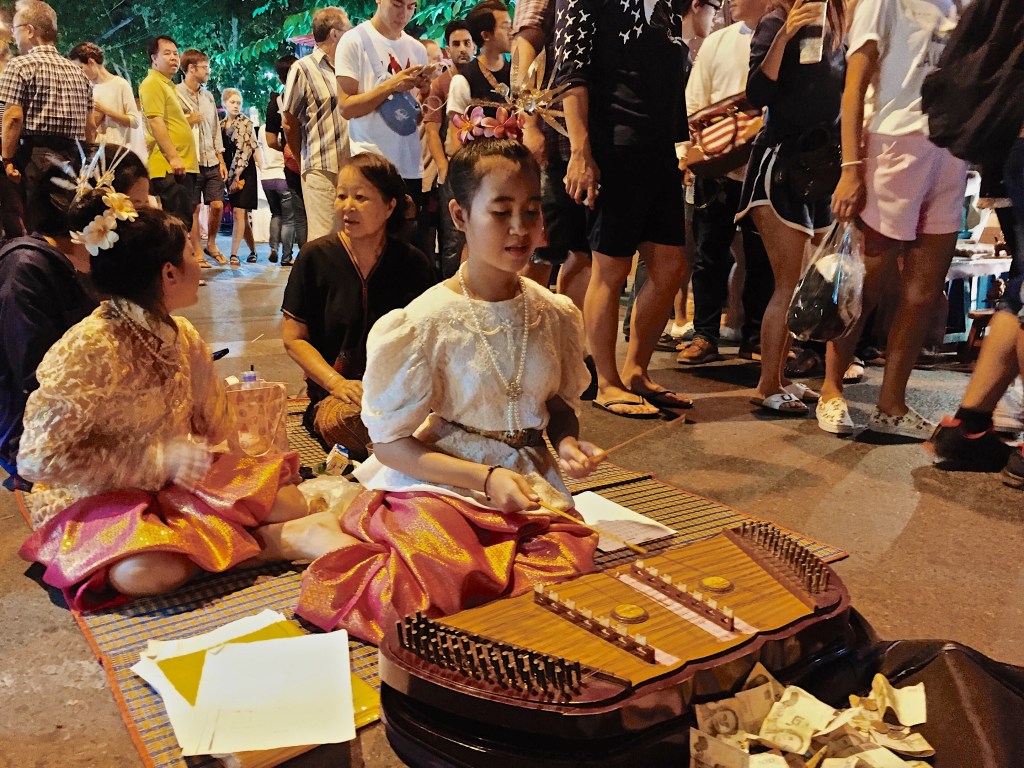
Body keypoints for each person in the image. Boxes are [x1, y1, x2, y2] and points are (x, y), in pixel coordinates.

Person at [295, 139, 604, 644]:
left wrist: (567, 442)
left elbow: (556, 403)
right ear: (460, 215)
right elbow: (390, 445)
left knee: (562, 572)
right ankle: (328, 535)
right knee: (441, 583)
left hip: (527, 482)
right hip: (445, 479)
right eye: (501, 212)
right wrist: (485, 478)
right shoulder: (424, 322)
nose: (520, 228)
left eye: (531, 211)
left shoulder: (554, 313)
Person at [16, 199, 350, 612]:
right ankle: (274, 544)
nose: (198, 261)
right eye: (191, 252)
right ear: (169, 273)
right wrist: (156, 459)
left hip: (173, 486)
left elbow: (217, 426)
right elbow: (37, 459)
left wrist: (239, 469)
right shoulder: (89, 347)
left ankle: (252, 533)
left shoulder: (183, 334)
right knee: (146, 571)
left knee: (288, 501)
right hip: (96, 498)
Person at [825, 0, 966, 439]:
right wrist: (851, 169)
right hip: (893, 142)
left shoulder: (959, 3)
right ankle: (831, 389)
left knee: (923, 291)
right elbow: (854, 86)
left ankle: (891, 404)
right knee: (867, 283)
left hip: (950, 149)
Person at [555, 0, 695, 418]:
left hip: (659, 149)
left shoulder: (668, 7)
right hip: (615, 144)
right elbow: (571, 72)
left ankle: (635, 372)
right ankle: (606, 382)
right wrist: (580, 151)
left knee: (670, 267)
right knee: (611, 268)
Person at [1, 145, 149, 491]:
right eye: (136, 208)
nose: (143, 222)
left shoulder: (98, 263)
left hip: (98, 417)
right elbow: (39, 380)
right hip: (42, 437)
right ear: (100, 210)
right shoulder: (26, 270)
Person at [733, 0, 847, 420]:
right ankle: (766, 384)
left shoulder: (836, 24)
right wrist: (784, 35)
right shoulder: (778, 20)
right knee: (788, 283)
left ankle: (779, 377)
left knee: (804, 284)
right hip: (780, 165)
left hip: (818, 166)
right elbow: (756, 95)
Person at [281, 152, 434, 462]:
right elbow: (293, 338)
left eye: (360, 197)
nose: (347, 206)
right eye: (342, 196)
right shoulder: (314, 258)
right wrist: (335, 383)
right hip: (339, 398)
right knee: (349, 424)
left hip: (399, 396)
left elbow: (430, 340)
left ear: (390, 206)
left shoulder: (413, 263)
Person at [677, 0, 774, 366]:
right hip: (717, 164)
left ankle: (755, 336)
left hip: (763, 166)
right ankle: (705, 334)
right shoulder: (720, 41)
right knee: (709, 253)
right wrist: (688, 153)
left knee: (762, 257)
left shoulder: (781, 38)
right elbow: (694, 100)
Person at [336, 0, 432, 234]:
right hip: (370, 163)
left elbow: (415, 118)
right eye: (397, 4)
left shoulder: (417, 49)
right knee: (368, 241)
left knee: (403, 244)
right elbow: (346, 107)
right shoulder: (354, 40)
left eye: (411, 7)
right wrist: (390, 86)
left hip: (409, 164)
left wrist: (425, 92)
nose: (404, 14)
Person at [0, 0, 94, 233]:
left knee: (35, 223)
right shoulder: (79, 73)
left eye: (15, 29)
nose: (14, 37)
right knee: (65, 223)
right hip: (74, 157)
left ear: (30, 30)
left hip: (34, 157)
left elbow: (13, 117)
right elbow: (90, 126)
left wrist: (7, 159)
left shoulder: (20, 66)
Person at [282, 7, 352, 241]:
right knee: (324, 239)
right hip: (322, 167)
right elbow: (288, 122)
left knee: (349, 236)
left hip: (352, 166)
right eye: (348, 29)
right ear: (335, 33)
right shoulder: (303, 68)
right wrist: (302, 159)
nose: (352, 34)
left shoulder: (348, 68)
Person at [424, 19, 476, 277]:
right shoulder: (440, 84)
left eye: (467, 42)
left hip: (481, 170)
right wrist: (444, 168)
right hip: (453, 171)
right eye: (456, 44)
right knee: (453, 240)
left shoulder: (482, 77)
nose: (462, 48)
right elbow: (432, 130)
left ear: (475, 45)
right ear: (448, 49)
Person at [139, 36, 199, 228]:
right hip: (170, 166)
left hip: (183, 164)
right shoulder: (152, 83)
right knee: (177, 225)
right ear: (154, 58)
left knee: (183, 222)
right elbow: (155, 121)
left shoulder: (168, 85)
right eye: (167, 53)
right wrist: (173, 157)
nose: (174, 58)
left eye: (175, 53)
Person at [177, 49, 229, 266]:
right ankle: (197, 249)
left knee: (217, 205)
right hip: (190, 160)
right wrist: (188, 120)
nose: (208, 71)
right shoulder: (175, 94)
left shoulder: (208, 96)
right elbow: (170, 126)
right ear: (191, 68)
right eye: (205, 67)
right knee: (194, 208)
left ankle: (212, 243)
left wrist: (221, 159)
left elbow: (215, 129)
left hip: (211, 160)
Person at [68, 42, 143, 153]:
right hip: (96, 150)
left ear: (91, 62)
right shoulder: (87, 88)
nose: (79, 73)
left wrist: (105, 110)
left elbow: (134, 121)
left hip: (118, 150)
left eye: (81, 68)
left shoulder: (120, 84)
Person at [265, 54, 305, 264]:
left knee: (299, 216)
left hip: (292, 165)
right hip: (315, 158)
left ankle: (302, 258)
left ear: (280, 78)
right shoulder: (308, 96)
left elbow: (271, 140)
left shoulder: (276, 103)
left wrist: (289, 149)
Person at [220, 88, 260, 265]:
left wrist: (236, 175)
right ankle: (253, 250)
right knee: (240, 216)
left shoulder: (246, 123)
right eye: (232, 102)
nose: (236, 106)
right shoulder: (221, 125)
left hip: (245, 172)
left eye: (238, 103)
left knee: (238, 212)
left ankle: (234, 254)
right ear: (224, 103)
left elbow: (245, 151)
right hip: (229, 172)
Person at [260, 119, 294, 265]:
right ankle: (286, 257)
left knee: (275, 214)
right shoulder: (286, 128)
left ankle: (273, 248)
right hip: (282, 176)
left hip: (266, 177)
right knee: (289, 219)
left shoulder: (262, 129)